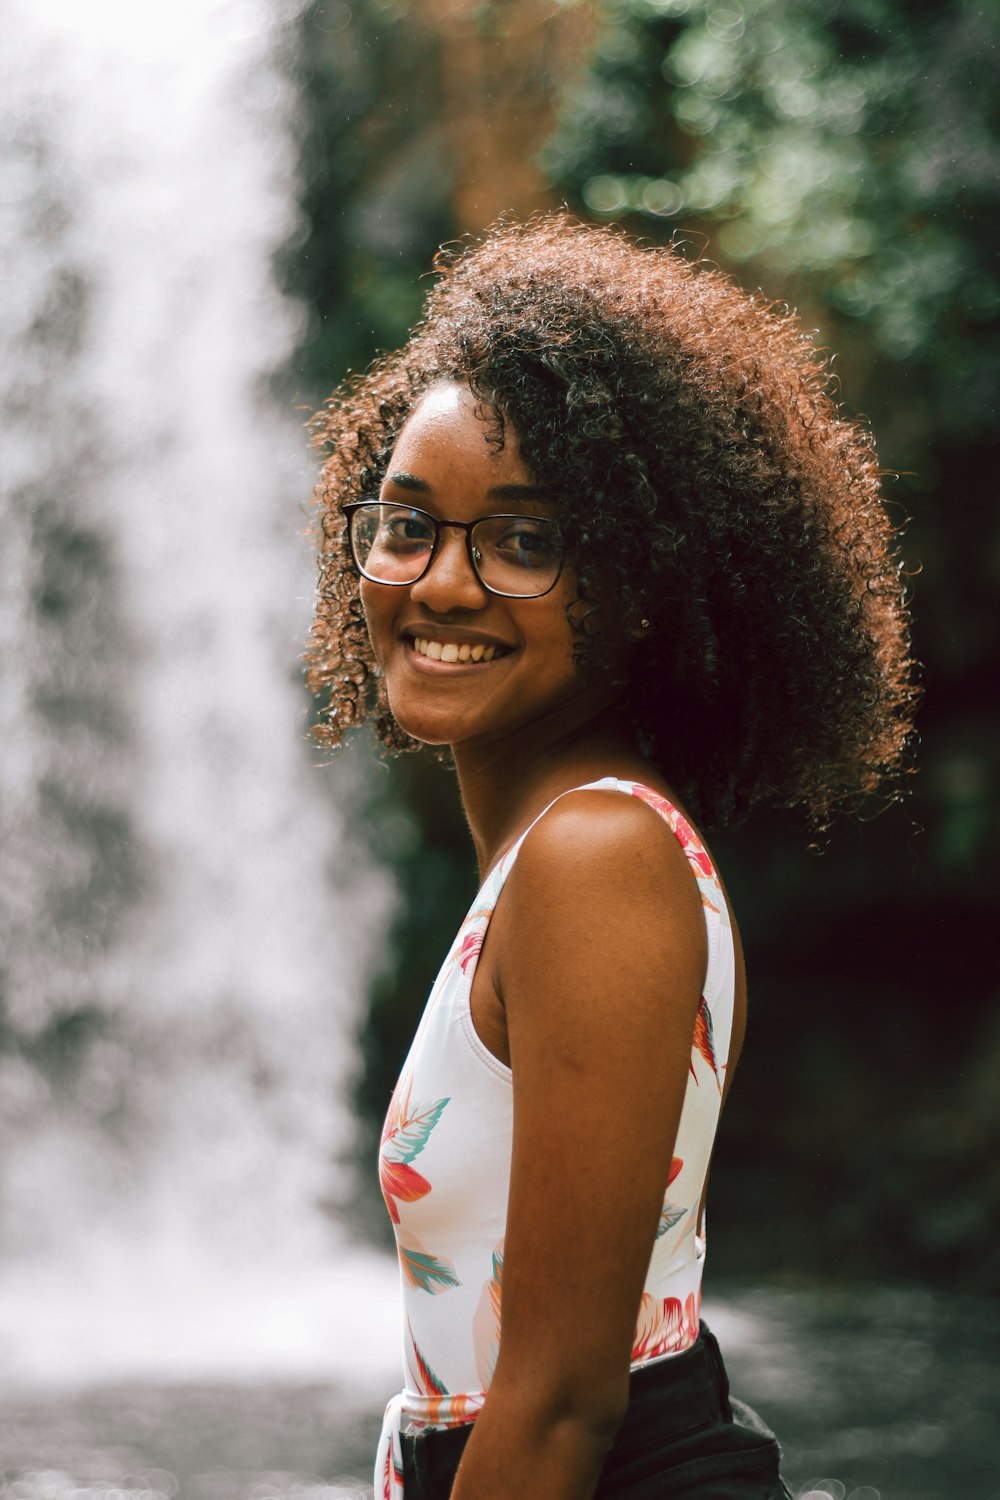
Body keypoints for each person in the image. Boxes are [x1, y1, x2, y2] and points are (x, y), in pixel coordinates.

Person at [305, 215, 917, 1500]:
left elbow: (565, 1403)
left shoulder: (596, 856)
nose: (444, 584)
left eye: (525, 542)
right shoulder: (562, 845)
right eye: (407, 523)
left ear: (640, 587)